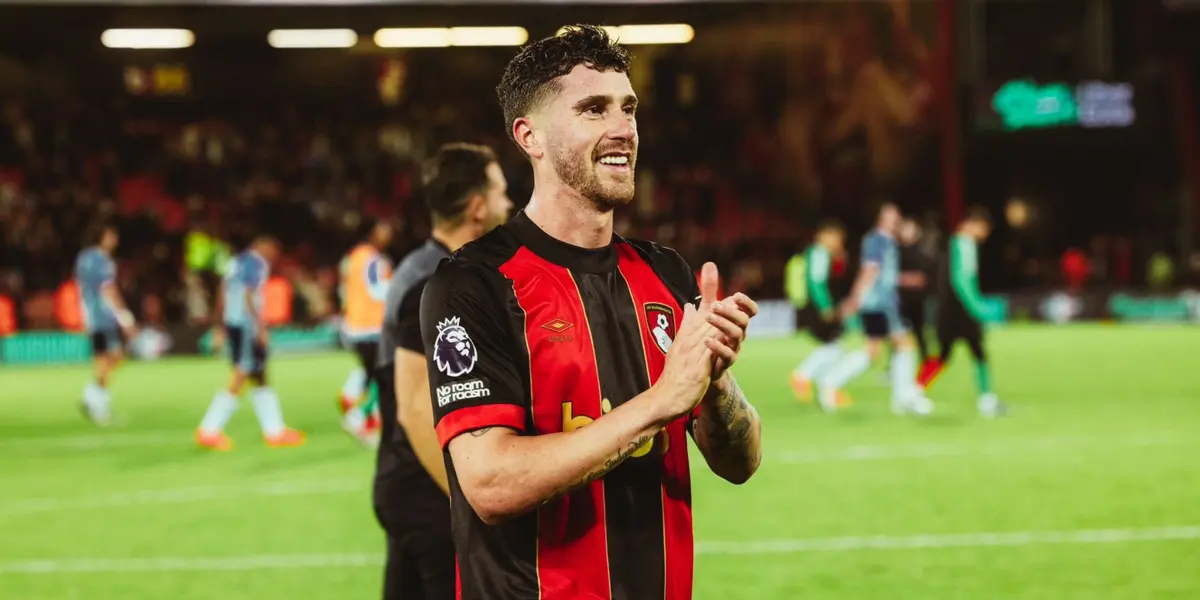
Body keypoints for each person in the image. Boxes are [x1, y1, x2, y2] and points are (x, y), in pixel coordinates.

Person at [418, 25, 763, 599]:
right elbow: (491, 484)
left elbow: (741, 462)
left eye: (629, 108)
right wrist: (661, 402)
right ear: (530, 136)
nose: (623, 128)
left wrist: (716, 383)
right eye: (594, 109)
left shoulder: (665, 274)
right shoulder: (474, 285)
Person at [373, 142, 512, 600]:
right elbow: (416, 409)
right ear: (477, 207)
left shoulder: (421, 268)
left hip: (407, 483)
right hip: (430, 491)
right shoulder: (435, 282)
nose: (509, 203)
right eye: (500, 192)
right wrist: (468, 500)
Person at [818, 203, 933, 415]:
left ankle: (832, 383)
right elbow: (870, 270)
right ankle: (903, 397)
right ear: (880, 218)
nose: (896, 220)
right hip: (879, 304)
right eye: (892, 216)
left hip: (882, 303)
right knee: (902, 345)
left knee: (880, 350)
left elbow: (884, 275)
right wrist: (855, 298)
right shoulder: (878, 239)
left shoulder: (886, 240)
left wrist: (905, 279)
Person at [195, 236, 306, 450]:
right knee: (242, 372)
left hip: (234, 321)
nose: (274, 256)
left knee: (260, 374)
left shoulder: (235, 262)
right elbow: (248, 293)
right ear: (264, 247)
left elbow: (222, 293)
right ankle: (209, 429)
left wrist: (219, 325)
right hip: (246, 324)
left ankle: (274, 430)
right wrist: (260, 327)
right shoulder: (256, 263)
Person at [916, 207, 1006, 417]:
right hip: (960, 310)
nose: (984, 235)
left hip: (949, 309)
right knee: (976, 353)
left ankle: (915, 391)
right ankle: (986, 400)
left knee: (946, 354)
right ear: (973, 224)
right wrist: (976, 307)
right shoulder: (965, 245)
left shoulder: (952, 243)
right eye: (983, 229)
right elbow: (962, 280)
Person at [337, 218, 395, 447]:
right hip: (373, 324)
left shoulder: (352, 257)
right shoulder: (373, 259)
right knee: (383, 375)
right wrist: (399, 289)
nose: (388, 235)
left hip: (355, 323)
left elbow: (345, 289)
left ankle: (351, 401)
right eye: (383, 230)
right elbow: (376, 289)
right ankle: (362, 418)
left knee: (372, 370)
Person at [75, 223, 137, 426]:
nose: (115, 240)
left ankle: (93, 397)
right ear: (101, 237)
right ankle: (97, 403)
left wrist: (82, 314)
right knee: (113, 356)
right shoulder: (103, 261)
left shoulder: (83, 258)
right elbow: (108, 289)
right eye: (111, 236)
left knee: (104, 358)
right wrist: (125, 317)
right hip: (103, 316)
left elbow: (80, 288)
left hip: (91, 316)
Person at [788, 220, 852, 406]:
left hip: (811, 305)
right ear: (825, 235)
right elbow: (817, 282)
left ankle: (826, 389)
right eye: (837, 237)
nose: (838, 242)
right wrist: (826, 306)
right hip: (818, 307)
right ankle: (803, 376)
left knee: (834, 346)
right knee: (834, 347)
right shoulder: (820, 253)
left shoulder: (814, 253)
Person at [898, 217, 934, 364]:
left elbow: (922, 278)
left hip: (916, 299)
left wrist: (901, 279)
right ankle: (896, 365)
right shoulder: (895, 252)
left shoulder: (921, 253)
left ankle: (924, 360)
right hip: (899, 298)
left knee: (919, 331)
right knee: (898, 333)